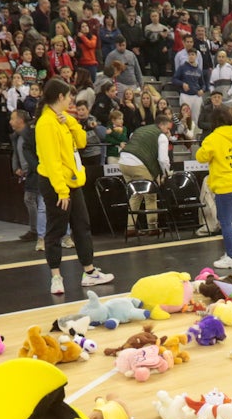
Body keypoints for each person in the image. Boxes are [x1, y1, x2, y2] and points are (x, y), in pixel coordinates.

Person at [35, 78, 114, 295]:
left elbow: (81, 142)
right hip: (55, 184)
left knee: (82, 225)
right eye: (69, 96)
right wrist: (61, 190)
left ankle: (89, 272)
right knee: (56, 229)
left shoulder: (63, 119)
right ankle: (56, 276)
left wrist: (70, 121)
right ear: (60, 96)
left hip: (72, 181)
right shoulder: (45, 123)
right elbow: (51, 161)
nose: (71, 100)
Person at [197, 105, 232, 269]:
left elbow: (201, 157)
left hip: (224, 184)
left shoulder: (213, 138)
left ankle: (230, 257)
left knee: (225, 221)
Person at [117, 111, 171, 234]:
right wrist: (166, 174)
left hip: (123, 162)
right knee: (150, 195)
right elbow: (163, 159)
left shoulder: (140, 129)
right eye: (167, 128)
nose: (168, 132)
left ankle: (130, 228)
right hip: (138, 163)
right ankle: (153, 227)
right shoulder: (161, 136)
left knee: (136, 194)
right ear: (161, 125)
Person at [9, 109, 46, 247]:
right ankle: (35, 230)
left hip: (36, 171)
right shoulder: (17, 137)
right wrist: (16, 168)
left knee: (36, 201)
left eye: (12, 118)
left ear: (20, 120)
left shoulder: (30, 134)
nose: (10, 122)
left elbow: (34, 153)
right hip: (28, 172)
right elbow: (16, 154)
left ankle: (37, 231)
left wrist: (34, 168)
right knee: (31, 199)